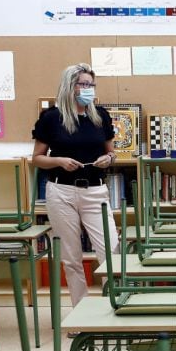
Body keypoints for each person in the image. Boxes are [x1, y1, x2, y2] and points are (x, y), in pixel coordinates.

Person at [32, 63, 120, 308]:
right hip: (62, 192)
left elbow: (112, 154)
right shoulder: (51, 118)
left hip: (95, 191)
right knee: (71, 258)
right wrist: (59, 160)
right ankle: (80, 312)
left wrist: (108, 159)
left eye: (91, 85)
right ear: (70, 86)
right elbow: (37, 158)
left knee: (110, 252)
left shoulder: (100, 115)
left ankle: (112, 308)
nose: (89, 89)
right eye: (84, 84)